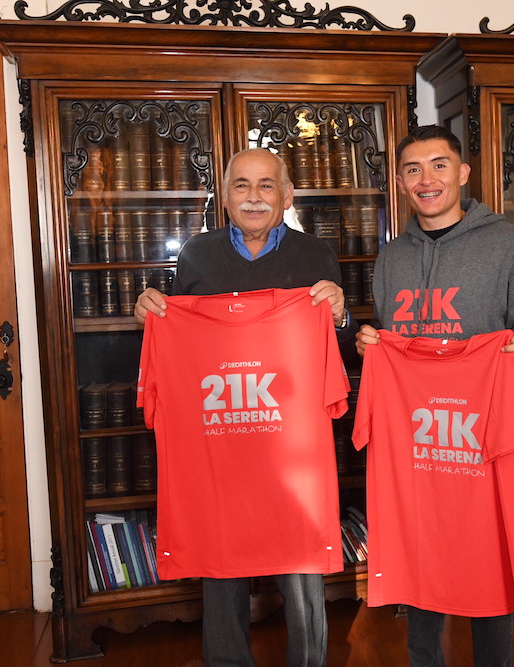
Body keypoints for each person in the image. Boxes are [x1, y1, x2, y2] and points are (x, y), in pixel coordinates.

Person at [135, 147, 351, 667]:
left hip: (290, 443)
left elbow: (334, 350)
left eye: (266, 185)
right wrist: (154, 316)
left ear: (287, 195)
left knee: (300, 559)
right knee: (220, 557)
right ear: (225, 197)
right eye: (241, 185)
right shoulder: (197, 255)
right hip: (220, 438)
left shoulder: (316, 256)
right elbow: (185, 338)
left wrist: (340, 315)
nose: (254, 197)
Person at [356, 125, 514, 666]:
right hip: (413, 440)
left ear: (463, 173)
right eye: (413, 169)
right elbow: (388, 337)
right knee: (418, 551)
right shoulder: (391, 257)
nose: (427, 179)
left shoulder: (507, 243)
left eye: (439, 165)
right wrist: (369, 343)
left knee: (486, 556)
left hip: (480, 433)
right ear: (401, 182)